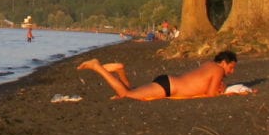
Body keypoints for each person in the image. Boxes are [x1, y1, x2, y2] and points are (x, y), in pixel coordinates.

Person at [77, 50, 239, 100]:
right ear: (224, 62)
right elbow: (210, 94)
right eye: (231, 67)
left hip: (168, 82)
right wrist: (226, 93)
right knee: (126, 95)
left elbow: (202, 85)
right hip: (168, 87)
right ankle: (97, 67)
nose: (231, 71)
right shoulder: (218, 70)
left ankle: (120, 70)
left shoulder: (208, 65)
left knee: (132, 93)